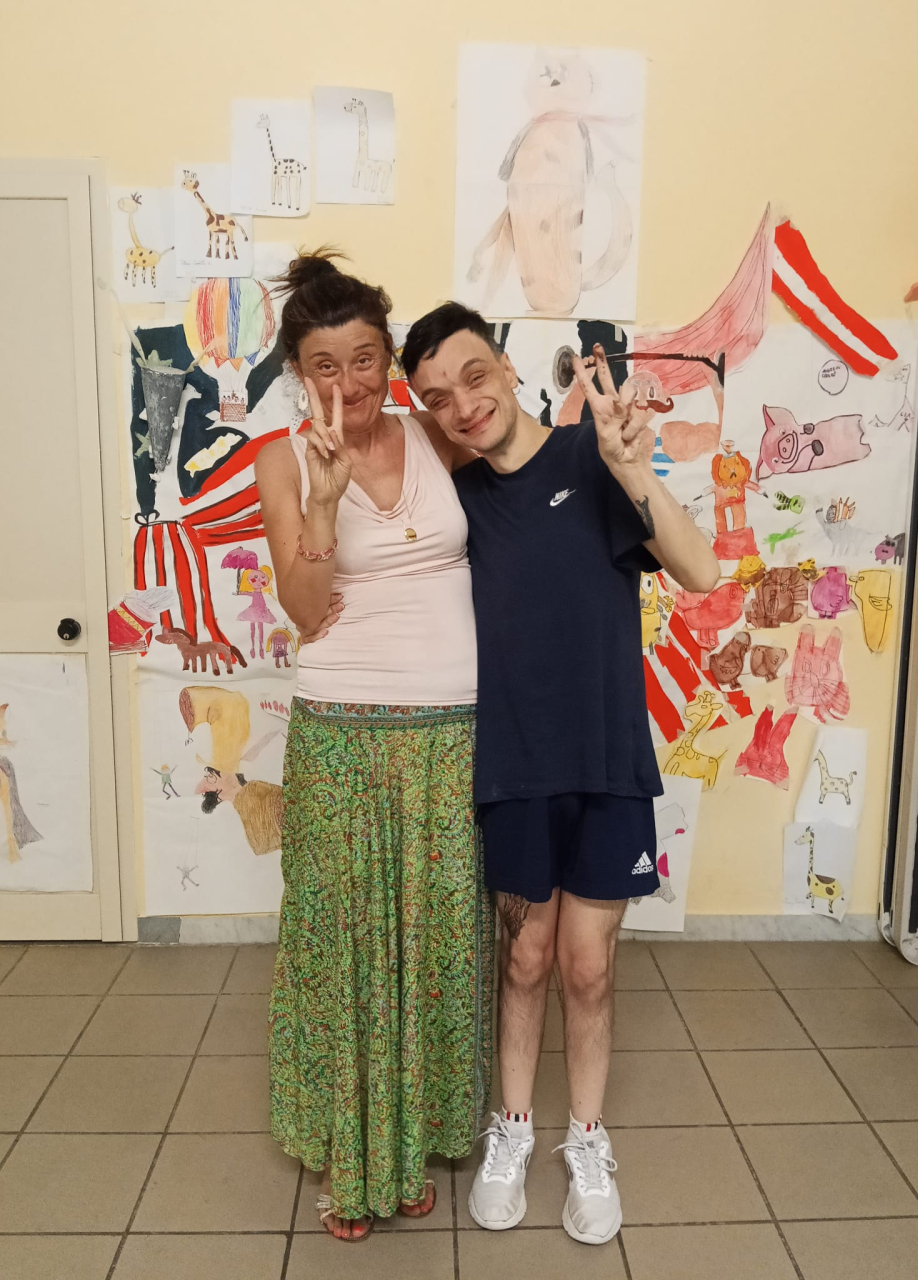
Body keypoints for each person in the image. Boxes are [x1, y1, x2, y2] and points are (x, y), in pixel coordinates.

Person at [400, 303, 721, 1246]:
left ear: (507, 368)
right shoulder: (459, 499)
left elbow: (701, 572)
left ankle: (586, 1138)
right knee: (525, 957)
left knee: (588, 966)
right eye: (437, 397)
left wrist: (631, 469)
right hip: (513, 766)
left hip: (607, 760)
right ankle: (512, 1130)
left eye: (473, 376)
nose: (462, 404)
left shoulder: (593, 454)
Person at [254, 256, 494, 1242]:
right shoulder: (282, 460)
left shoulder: (438, 434)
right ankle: (352, 1157)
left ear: (390, 358)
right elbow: (307, 612)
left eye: (363, 359)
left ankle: (416, 1138)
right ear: (298, 372)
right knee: (343, 945)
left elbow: (523, 504)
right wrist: (323, 501)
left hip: (451, 731)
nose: (346, 382)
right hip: (340, 733)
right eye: (324, 364)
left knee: (437, 940)